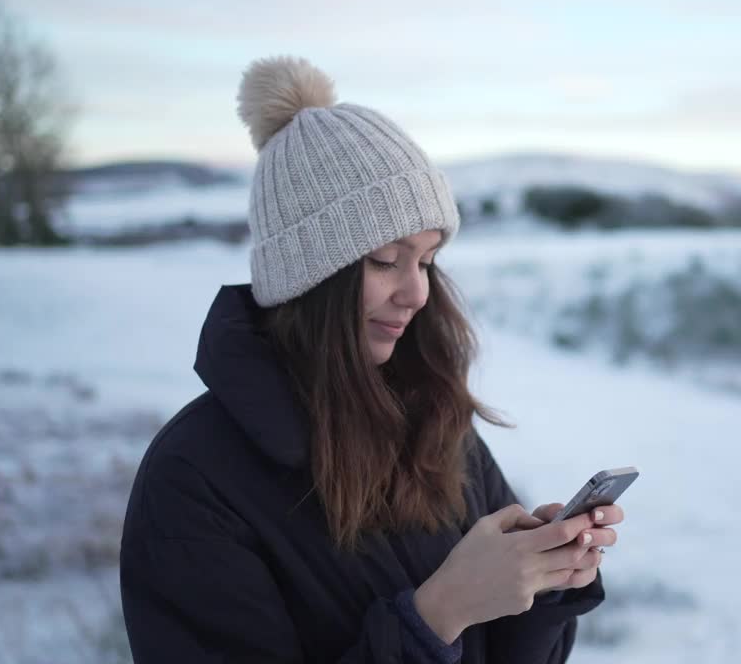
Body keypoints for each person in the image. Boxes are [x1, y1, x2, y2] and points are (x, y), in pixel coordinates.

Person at [118, 56, 623, 663]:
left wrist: (537, 585)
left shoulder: (437, 422)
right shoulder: (194, 480)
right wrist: (439, 614)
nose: (417, 293)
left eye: (428, 260)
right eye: (387, 258)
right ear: (308, 278)